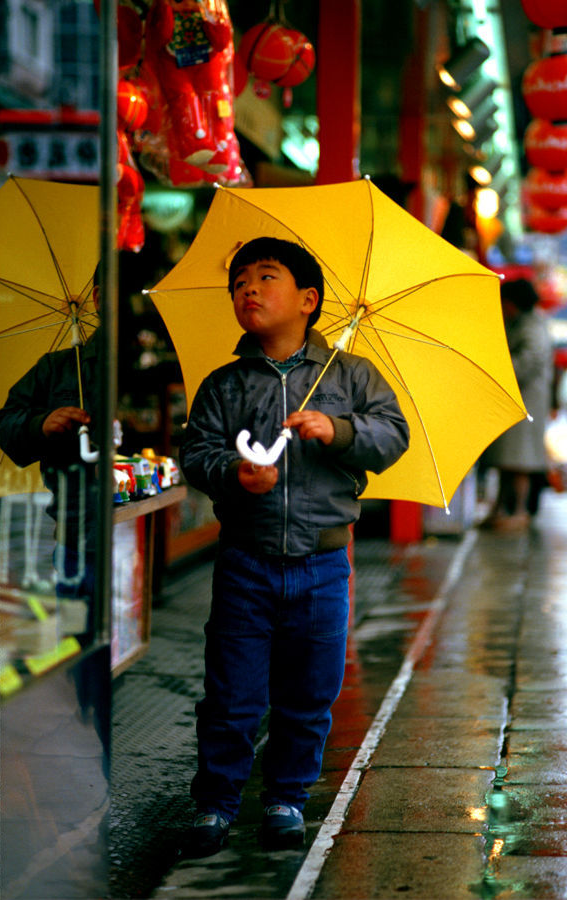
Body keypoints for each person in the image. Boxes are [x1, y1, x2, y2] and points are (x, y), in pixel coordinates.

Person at [180, 237, 410, 856]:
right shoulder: (225, 385)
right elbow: (197, 453)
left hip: (323, 563)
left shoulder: (352, 375)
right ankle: (216, 803)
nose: (248, 290)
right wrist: (236, 473)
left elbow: (392, 437)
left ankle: (287, 796)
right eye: (238, 282)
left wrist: (336, 429)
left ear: (308, 300)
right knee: (231, 690)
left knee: (309, 691)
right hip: (245, 561)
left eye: (266, 277)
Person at [0, 267, 101, 638]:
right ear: (98, 298)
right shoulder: (58, 368)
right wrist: (40, 424)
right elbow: (6, 421)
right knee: (76, 643)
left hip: (132, 527)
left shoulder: (142, 360)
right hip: (74, 533)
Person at [480, 278, 553, 530]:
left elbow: (529, 359)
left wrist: (500, 369)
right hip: (514, 401)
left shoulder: (533, 326)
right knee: (505, 460)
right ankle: (500, 509)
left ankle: (518, 512)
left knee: (520, 461)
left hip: (526, 403)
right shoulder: (521, 323)